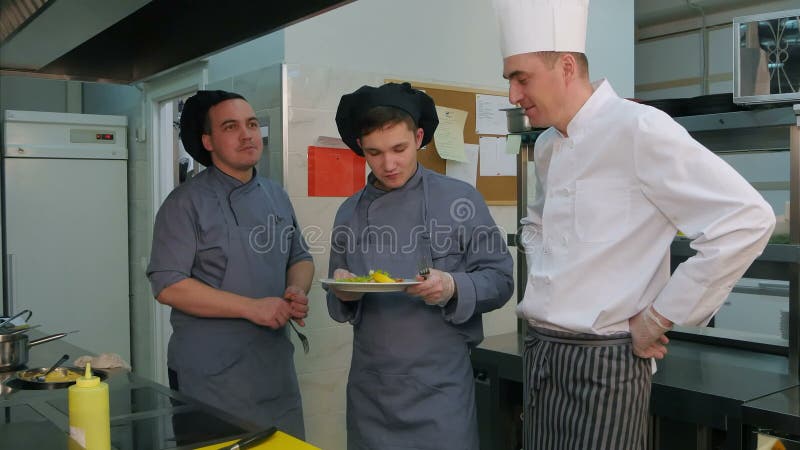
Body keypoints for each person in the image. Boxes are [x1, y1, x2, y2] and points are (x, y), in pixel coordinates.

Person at [491, 1, 776, 449]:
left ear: (566, 66)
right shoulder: (547, 145)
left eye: (520, 78)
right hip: (541, 351)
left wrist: (660, 316)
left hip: (605, 361)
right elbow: (538, 224)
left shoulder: (640, 128)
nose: (512, 96)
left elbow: (746, 220)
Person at [327, 82, 514, 450]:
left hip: (440, 391)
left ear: (419, 137)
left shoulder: (460, 199)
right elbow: (336, 301)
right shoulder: (348, 212)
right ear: (361, 150)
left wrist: (454, 286)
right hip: (371, 393)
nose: (389, 164)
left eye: (399, 148)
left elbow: (501, 279)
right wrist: (343, 291)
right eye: (374, 153)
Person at [147, 90, 314, 437]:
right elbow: (168, 285)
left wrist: (296, 288)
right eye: (231, 126)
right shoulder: (184, 203)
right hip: (210, 376)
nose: (247, 134)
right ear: (207, 140)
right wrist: (251, 308)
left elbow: (300, 257)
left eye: (251, 124)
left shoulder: (275, 195)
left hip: (273, 370)